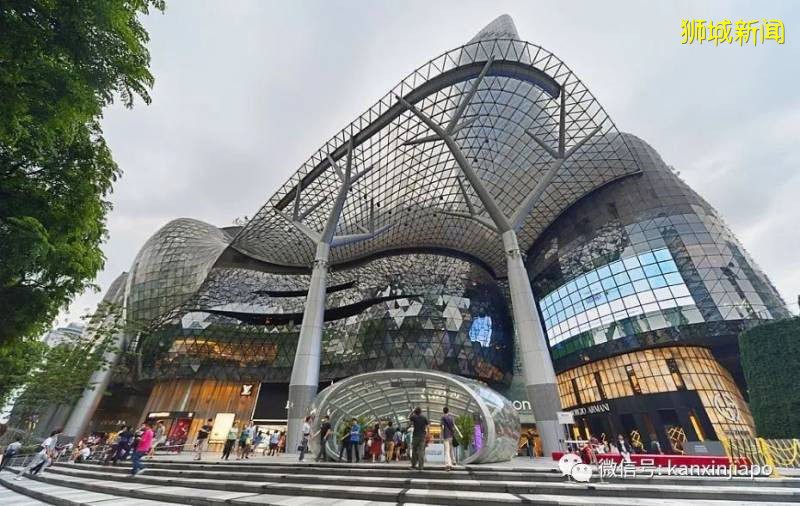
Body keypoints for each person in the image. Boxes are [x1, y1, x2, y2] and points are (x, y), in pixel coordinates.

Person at [441, 407, 456, 471]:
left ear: (443, 411)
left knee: (447, 450)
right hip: (451, 436)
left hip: (446, 436)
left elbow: (442, 427)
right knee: (451, 449)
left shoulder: (443, 417)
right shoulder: (451, 418)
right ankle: (454, 460)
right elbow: (453, 426)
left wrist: (442, 434)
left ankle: (448, 464)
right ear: (448, 411)